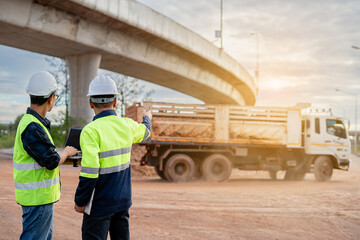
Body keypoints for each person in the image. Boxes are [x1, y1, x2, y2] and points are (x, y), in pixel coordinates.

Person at [74, 75, 151, 240]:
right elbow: (146, 131)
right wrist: (147, 118)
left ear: (90, 103)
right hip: (122, 202)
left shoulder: (90, 131)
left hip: (99, 205)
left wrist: (80, 200)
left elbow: (89, 172)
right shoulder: (127, 125)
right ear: (115, 102)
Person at [13, 71, 79, 240]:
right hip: (37, 199)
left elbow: (43, 156)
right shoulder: (32, 126)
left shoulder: (33, 123)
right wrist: (66, 152)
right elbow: (51, 161)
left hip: (39, 199)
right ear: (51, 98)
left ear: (31, 95)